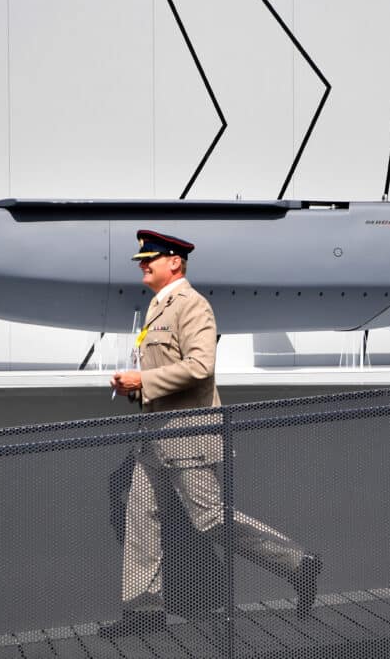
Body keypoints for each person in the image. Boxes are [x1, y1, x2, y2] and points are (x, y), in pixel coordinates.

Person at [101, 229, 322, 639]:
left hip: (187, 437)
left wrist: (143, 380)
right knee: (140, 521)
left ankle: (297, 563)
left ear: (175, 263)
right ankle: (144, 610)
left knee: (209, 518)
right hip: (153, 436)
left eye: (151, 258)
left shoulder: (192, 306)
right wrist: (133, 387)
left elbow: (200, 367)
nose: (143, 264)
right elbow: (163, 369)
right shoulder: (157, 306)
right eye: (141, 259)